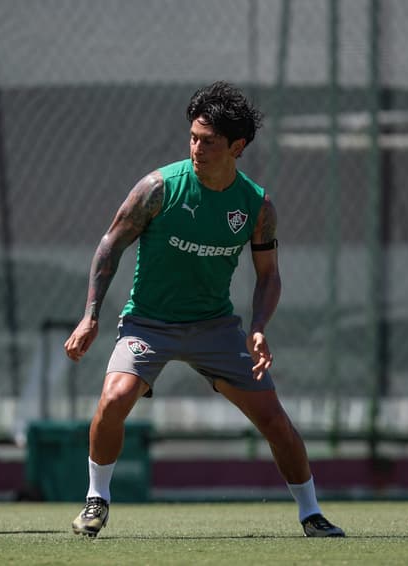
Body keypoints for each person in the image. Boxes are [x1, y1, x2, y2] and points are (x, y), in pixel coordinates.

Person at [64, 81, 344, 538]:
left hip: (215, 328)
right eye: (193, 137)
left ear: (237, 146)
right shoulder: (158, 188)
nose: (196, 147)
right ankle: (97, 500)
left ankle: (311, 513)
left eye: (208, 141)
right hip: (148, 324)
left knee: (275, 420)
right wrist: (91, 315)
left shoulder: (256, 206)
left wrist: (257, 328)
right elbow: (110, 245)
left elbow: (269, 274)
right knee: (113, 399)